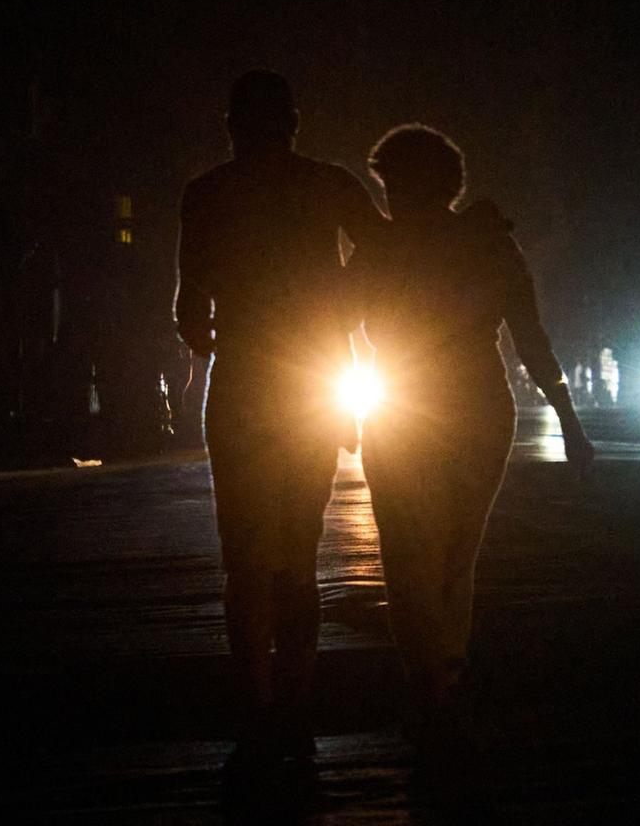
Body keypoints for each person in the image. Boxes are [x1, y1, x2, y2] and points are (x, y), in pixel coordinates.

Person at [349, 124, 594, 771]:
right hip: (479, 410)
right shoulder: (489, 241)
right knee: (456, 552)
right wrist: (568, 418)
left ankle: (429, 683)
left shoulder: (379, 245)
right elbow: (530, 337)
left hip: (402, 408)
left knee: (409, 553)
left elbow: (334, 322)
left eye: (393, 183)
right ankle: (443, 677)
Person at [172, 70, 389, 782]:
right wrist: (338, 306)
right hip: (308, 382)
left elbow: (190, 312)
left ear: (232, 125)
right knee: (298, 550)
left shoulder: (205, 195)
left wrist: (225, 330)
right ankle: (295, 704)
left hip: (241, 385)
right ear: (294, 123)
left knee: (242, 554)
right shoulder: (329, 184)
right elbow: (389, 254)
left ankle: (255, 706)